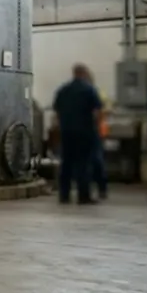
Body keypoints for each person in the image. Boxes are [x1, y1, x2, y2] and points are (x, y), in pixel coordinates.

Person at [52, 64, 102, 204]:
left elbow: (56, 112)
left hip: (67, 132)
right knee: (83, 164)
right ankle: (83, 196)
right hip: (84, 132)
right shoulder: (89, 90)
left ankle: (64, 195)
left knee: (66, 163)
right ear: (84, 73)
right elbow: (97, 112)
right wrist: (96, 129)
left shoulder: (63, 90)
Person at [86, 69, 110, 199]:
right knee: (92, 161)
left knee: (96, 160)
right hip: (92, 132)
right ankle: (97, 187)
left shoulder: (96, 93)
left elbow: (101, 112)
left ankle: (101, 188)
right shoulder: (92, 92)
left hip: (95, 132)